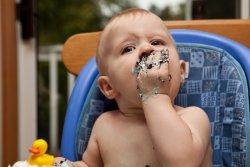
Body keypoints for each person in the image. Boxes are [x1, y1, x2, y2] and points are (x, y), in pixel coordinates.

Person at [55, 8, 212, 167]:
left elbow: (181, 163)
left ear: (181, 71)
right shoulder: (105, 126)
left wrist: (153, 95)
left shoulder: (193, 118)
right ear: (109, 87)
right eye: (128, 48)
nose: (146, 49)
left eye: (156, 42)